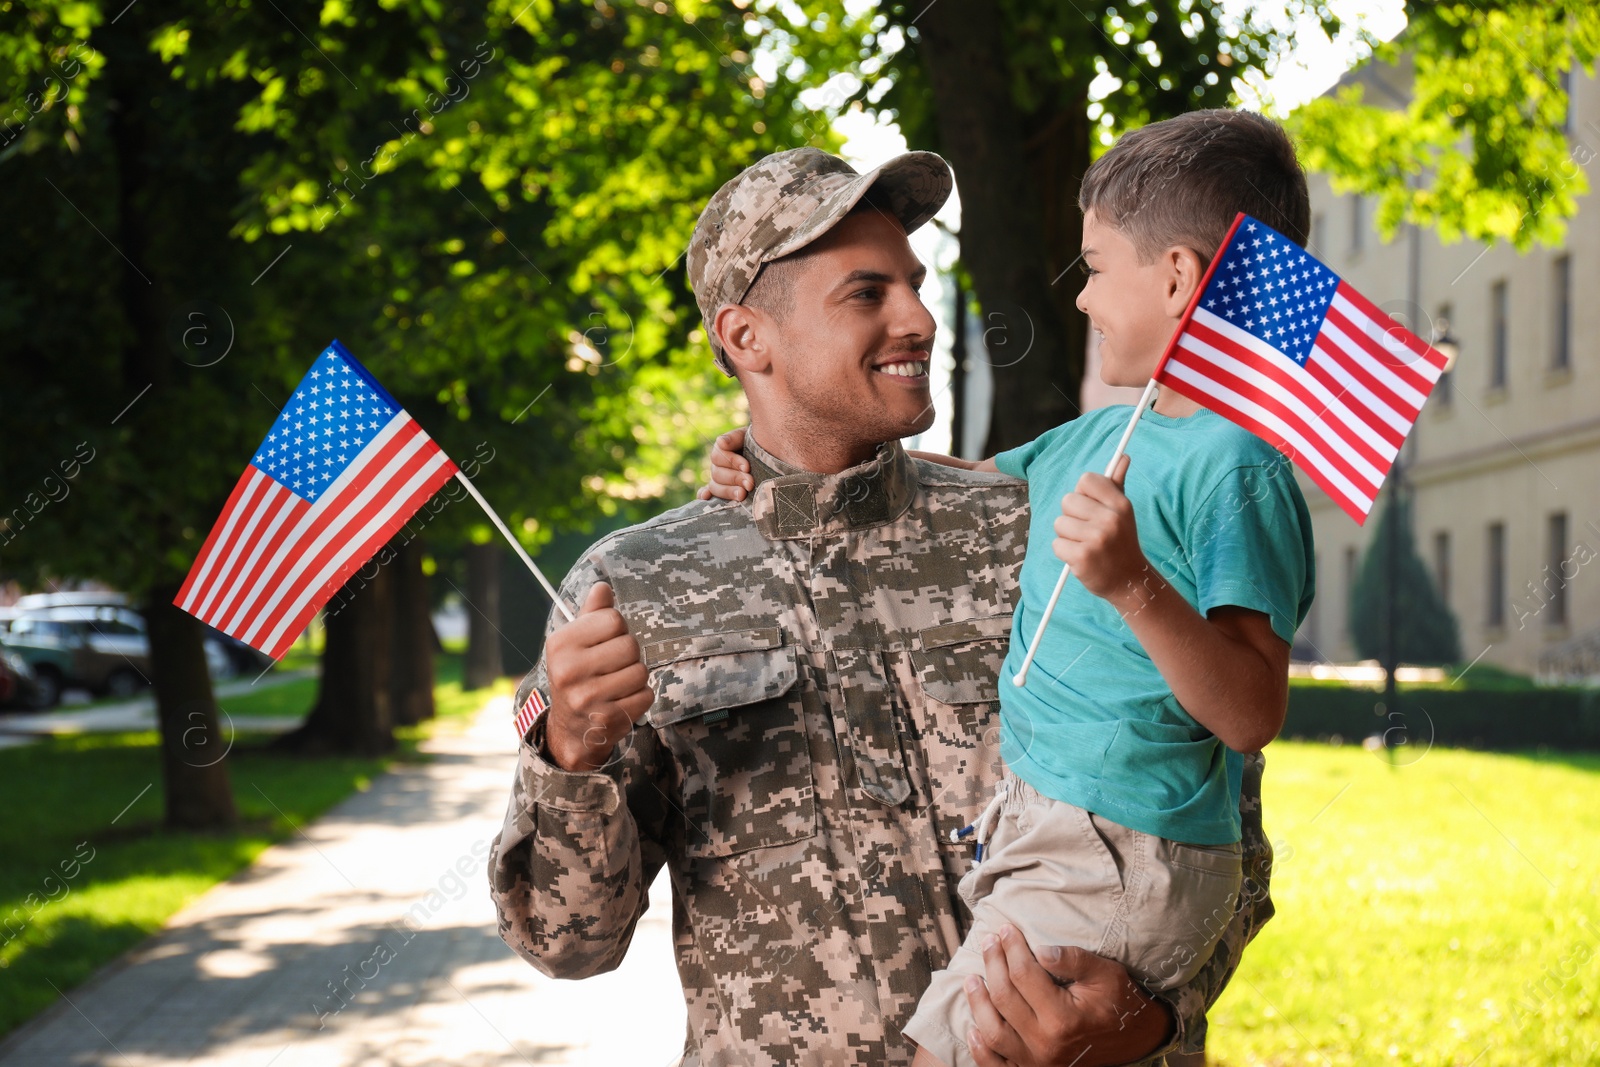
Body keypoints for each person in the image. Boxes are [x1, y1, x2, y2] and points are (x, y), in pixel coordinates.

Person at [489, 143, 1277, 1067]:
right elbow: (568, 940)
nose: (918, 318)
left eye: (915, 282)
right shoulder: (632, 588)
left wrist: (1145, 1021)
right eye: (867, 294)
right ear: (748, 338)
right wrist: (571, 752)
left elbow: (1223, 835)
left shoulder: (1053, 529)